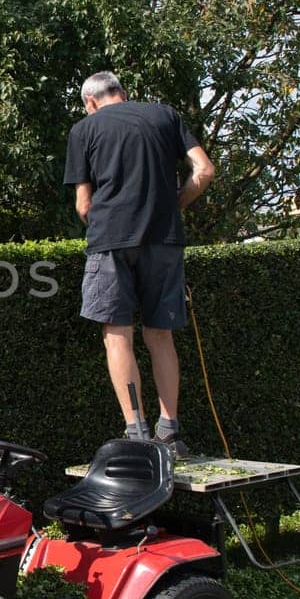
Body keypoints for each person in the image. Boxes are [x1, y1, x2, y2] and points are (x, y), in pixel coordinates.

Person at [63, 71, 214, 447]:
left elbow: (84, 204)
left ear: (91, 102)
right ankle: (169, 429)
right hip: (164, 239)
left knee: (117, 335)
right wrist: (174, 206)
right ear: (124, 94)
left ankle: (137, 432)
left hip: (111, 241)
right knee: (160, 334)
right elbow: (205, 170)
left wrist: (105, 218)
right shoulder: (166, 115)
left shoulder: (85, 129)